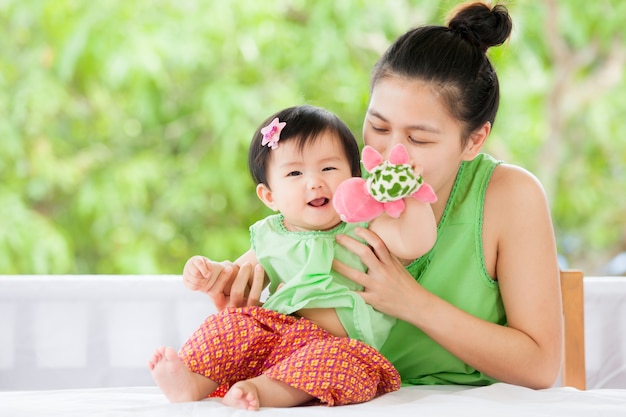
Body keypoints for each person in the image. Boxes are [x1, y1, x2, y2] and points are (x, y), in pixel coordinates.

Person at [183, 1, 563, 391]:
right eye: (378, 127)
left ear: (474, 140)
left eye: (418, 138)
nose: (388, 153)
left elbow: (540, 367)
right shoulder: (342, 186)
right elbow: (285, 266)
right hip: (330, 397)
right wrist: (244, 297)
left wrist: (412, 303)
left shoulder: (510, 196)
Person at [148, 104, 438, 409]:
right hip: (274, 336)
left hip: (340, 344)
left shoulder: (366, 227)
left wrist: (408, 194)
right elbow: (237, 277)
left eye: (328, 168)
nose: (314, 182)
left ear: (355, 177)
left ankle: (260, 389)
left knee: (343, 365)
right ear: (269, 196)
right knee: (233, 324)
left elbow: (416, 242)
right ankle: (193, 379)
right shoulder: (272, 236)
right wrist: (212, 271)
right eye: (295, 173)